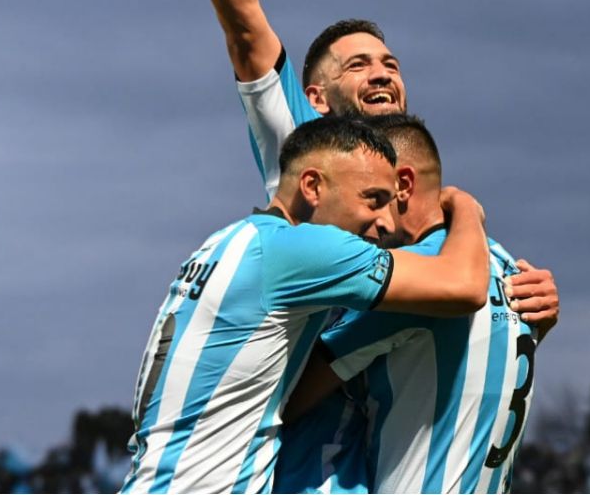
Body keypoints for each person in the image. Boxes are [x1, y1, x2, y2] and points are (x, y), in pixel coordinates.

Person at [158, 0, 558, 334]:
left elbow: (455, 298)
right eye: (358, 65)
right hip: (304, 387)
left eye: (390, 63)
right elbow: (246, 27)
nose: (382, 73)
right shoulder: (302, 138)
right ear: (317, 98)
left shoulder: (415, 188)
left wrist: (523, 309)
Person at [120, 117, 491, 493]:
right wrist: (463, 206)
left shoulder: (225, 242)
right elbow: (464, 287)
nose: (387, 223)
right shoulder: (303, 251)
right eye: (373, 200)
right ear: (312, 186)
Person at [276, 115, 540, 494]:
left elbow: (290, 400)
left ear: (402, 185)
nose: (376, 222)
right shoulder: (507, 265)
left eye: (374, 196)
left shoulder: (421, 282)